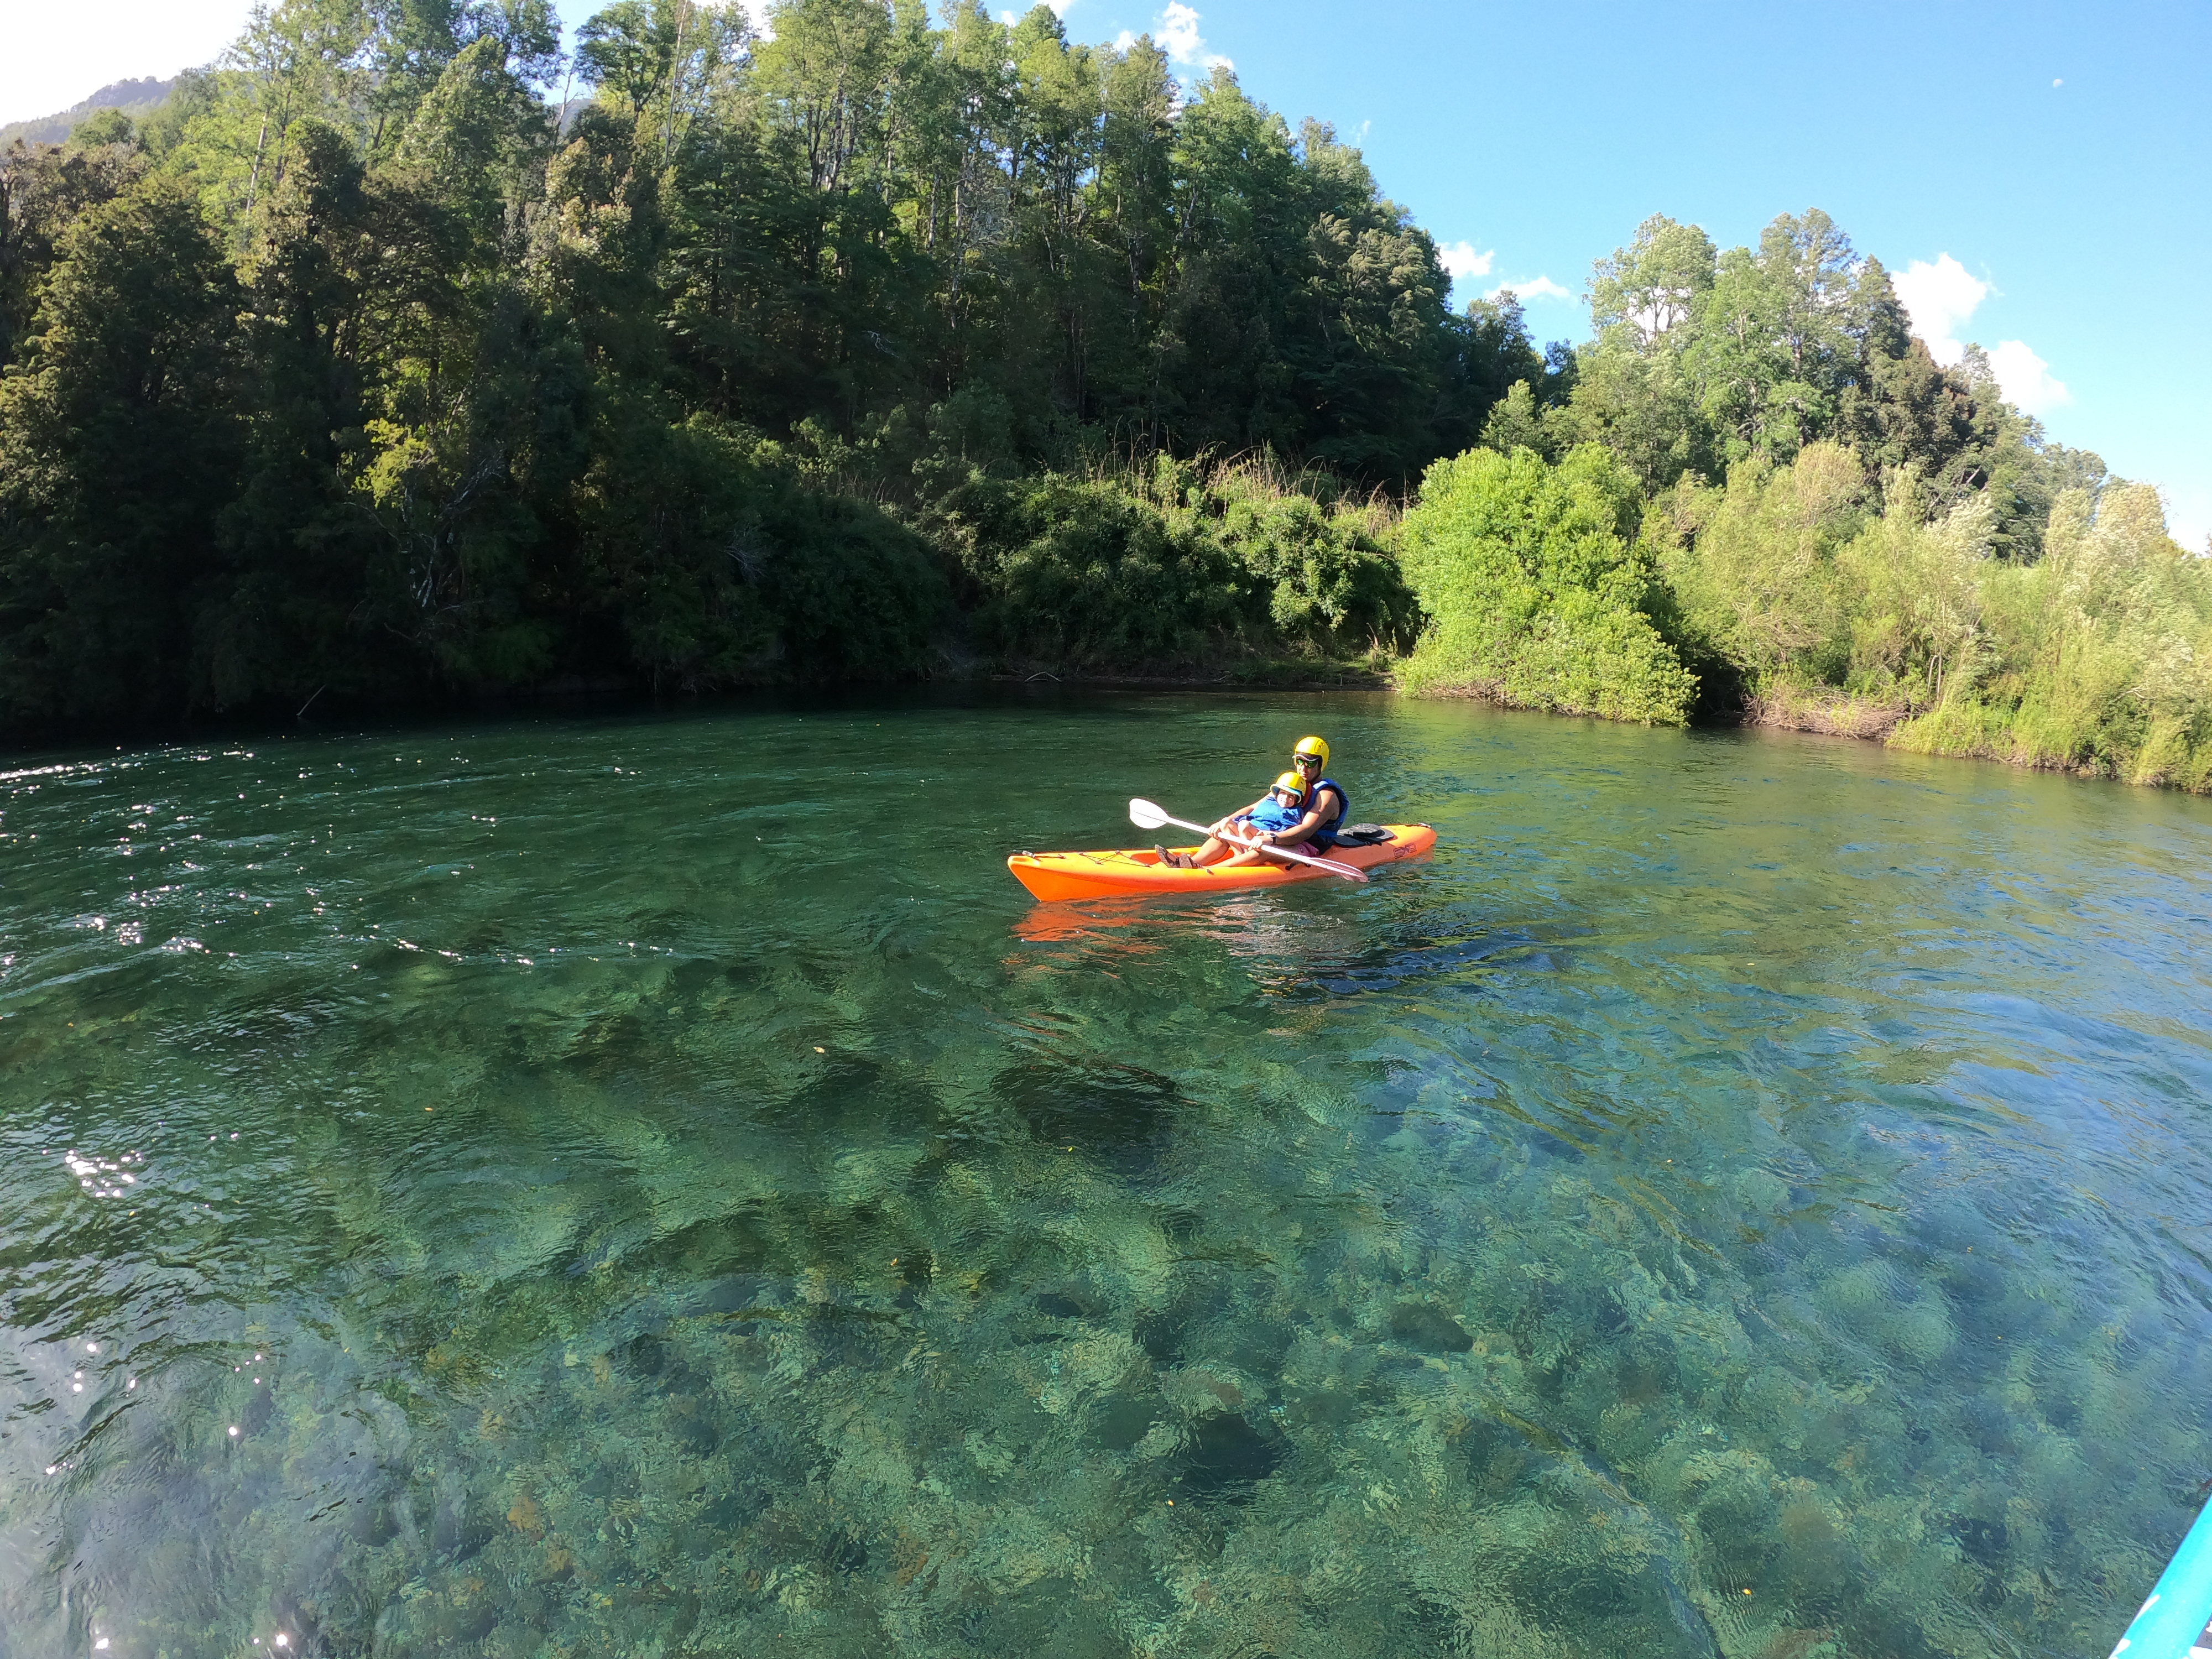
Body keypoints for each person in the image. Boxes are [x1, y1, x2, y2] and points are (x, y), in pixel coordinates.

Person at [1157, 734, 1350, 868]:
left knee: (1266, 849)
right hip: (1277, 835)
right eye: (1300, 761)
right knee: (1225, 831)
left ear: (1321, 763)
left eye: (1310, 763)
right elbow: (1254, 807)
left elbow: (1305, 831)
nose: (1303, 768)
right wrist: (1225, 821)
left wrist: (1271, 838)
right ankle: (1190, 863)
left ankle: (1209, 872)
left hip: (1307, 846)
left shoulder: (1327, 796)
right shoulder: (1292, 784)